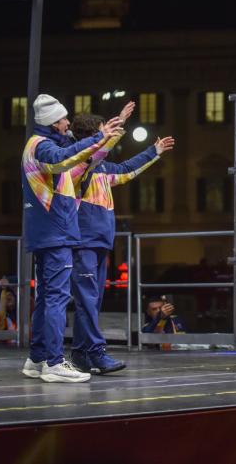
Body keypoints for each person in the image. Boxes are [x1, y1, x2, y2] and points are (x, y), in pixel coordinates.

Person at [21, 94, 123, 383]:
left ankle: (37, 358)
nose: (68, 123)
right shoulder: (43, 146)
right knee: (56, 298)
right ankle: (54, 362)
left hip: (48, 231)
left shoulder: (38, 144)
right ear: (54, 122)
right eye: (64, 119)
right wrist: (100, 136)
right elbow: (64, 157)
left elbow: (84, 156)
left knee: (46, 298)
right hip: (56, 231)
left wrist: (106, 136)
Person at [68, 109, 174, 375]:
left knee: (91, 302)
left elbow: (127, 170)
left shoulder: (102, 168)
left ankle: (80, 354)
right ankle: (96, 352)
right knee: (87, 301)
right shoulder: (80, 166)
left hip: (100, 242)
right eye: (102, 131)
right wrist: (119, 126)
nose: (108, 136)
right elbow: (95, 155)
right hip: (84, 242)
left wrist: (154, 151)